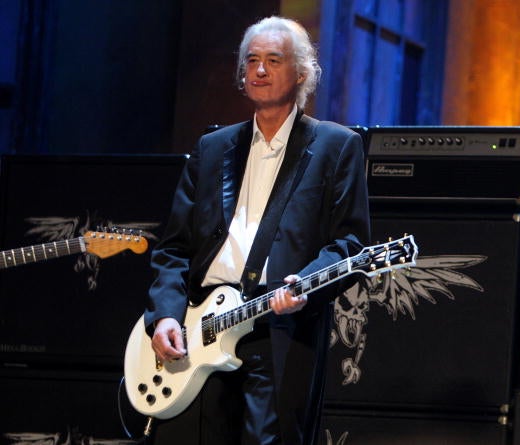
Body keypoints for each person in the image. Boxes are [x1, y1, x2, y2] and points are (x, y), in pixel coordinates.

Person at [144, 16, 370, 445]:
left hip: (277, 328)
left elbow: (349, 244)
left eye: (273, 59)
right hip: (199, 329)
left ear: (302, 73)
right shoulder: (213, 148)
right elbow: (174, 248)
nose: (260, 70)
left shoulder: (337, 146)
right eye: (252, 60)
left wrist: (304, 284)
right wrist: (166, 315)